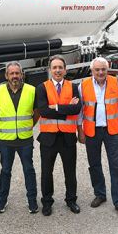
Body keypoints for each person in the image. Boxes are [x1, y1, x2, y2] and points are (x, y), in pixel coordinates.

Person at [78, 57, 118, 218]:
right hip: (91, 131)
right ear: (92, 71)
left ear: (107, 70)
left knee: (116, 166)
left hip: (112, 131)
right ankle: (100, 194)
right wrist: (79, 129)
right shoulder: (84, 85)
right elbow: (80, 109)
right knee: (94, 164)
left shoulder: (116, 83)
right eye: (97, 70)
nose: (100, 72)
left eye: (103, 69)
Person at [36, 55, 82, 216]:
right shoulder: (42, 87)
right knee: (46, 172)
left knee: (70, 171)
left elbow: (76, 109)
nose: (57, 70)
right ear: (50, 70)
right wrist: (64, 109)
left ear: (65, 69)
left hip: (68, 138)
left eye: (60, 67)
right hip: (48, 139)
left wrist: (54, 108)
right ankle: (47, 202)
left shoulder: (73, 87)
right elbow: (43, 111)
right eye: (54, 67)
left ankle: (71, 200)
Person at [0, 61, 38, 214]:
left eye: (17, 73)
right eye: (11, 73)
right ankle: (2, 200)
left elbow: (37, 110)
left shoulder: (31, 90)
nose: (14, 76)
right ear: (6, 75)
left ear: (22, 74)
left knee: (29, 170)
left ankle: (32, 201)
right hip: (6, 139)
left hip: (25, 139)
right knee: (5, 170)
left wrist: (31, 124)